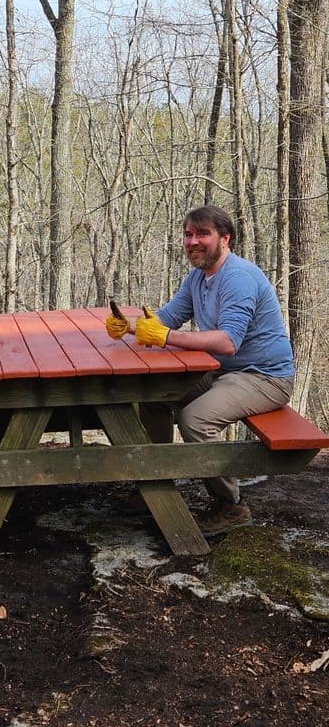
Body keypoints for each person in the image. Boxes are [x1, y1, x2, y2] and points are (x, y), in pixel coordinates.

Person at [105, 205, 294, 537]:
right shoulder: (198, 277)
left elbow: (227, 341)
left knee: (195, 419)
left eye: (202, 234)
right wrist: (130, 326)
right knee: (156, 395)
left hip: (264, 376)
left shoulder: (238, 278)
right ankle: (156, 484)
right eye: (188, 234)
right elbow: (166, 318)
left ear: (225, 239)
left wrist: (164, 337)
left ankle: (231, 506)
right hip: (225, 372)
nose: (193, 241)